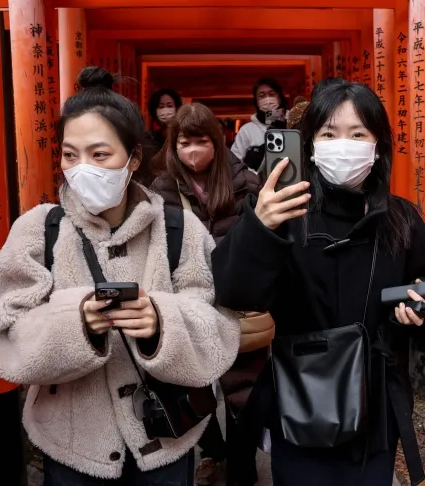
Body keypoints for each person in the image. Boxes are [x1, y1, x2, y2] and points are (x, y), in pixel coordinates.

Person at [0, 67, 240, 486]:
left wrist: (161, 322)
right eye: (69, 154)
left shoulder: (181, 229)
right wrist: (75, 324)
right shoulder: (37, 230)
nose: (82, 168)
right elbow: (3, 335)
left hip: (165, 438)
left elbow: (218, 330)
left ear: (133, 158)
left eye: (99, 155)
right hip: (72, 444)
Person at [211, 80, 425, 485]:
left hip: (375, 399)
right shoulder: (283, 212)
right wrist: (260, 226)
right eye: (329, 134)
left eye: (358, 134)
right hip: (303, 394)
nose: (344, 144)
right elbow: (235, 294)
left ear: (377, 145)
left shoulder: (401, 218)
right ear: (311, 145)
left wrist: (419, 312)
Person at [150, 103, 265, 486]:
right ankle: (214, 451)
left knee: (243, 396)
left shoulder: (245, 181)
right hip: (187, 304)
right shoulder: (161, 187)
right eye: (185, 142)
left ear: (217, 141)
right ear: (173, 144)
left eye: (202, 141)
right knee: (191, 388)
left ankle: (241, 471)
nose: (193, 150)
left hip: (239, 303)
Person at [230, 77, 288, 171]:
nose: (268, 99)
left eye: (272, 94)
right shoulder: (247, 130)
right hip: (257, 183)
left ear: (280, 98)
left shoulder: (292, 123)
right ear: (256, 102)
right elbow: (233, 164)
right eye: (262, 95)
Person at [140, 88, 184, 185]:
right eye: (161, 107)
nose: (166, 110)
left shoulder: (184, 137)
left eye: (169, 106)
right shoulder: (148, 139)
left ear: (177, 108)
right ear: (155, 111)